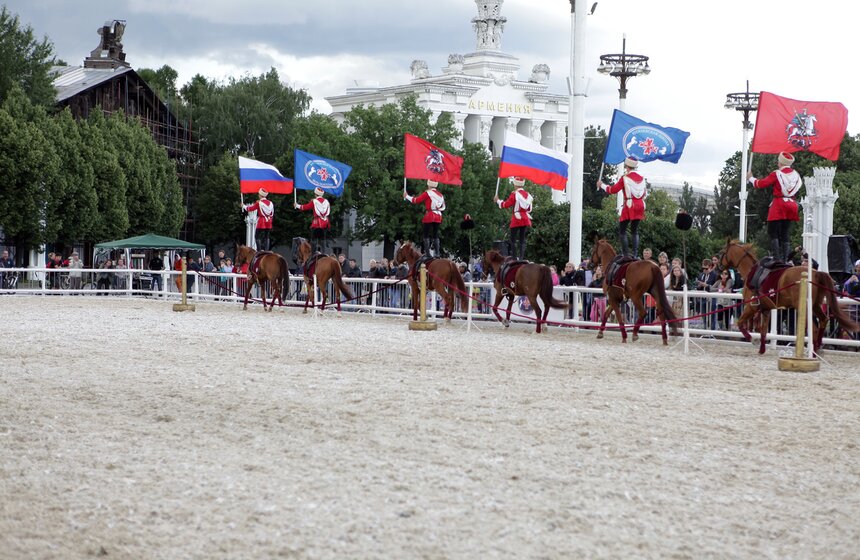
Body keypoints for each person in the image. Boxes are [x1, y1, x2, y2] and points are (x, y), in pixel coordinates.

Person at [747, 151, 802, 262]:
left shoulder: (777, 173)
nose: (777, 163)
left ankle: (777, 258)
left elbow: (760, 184)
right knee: (785, 232)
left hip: (779, 204)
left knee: (772, 231)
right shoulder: (796, 175)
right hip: (792, 204)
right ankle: (785, 258)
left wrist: (751, 178)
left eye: (778, 162)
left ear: (781, 163)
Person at [598, 157, 647, 258]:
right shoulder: (642, 178)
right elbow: (645, 193)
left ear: (627, 167)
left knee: (622, 231)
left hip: (630, 205)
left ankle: (625, 255)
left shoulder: (625, 177)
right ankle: (635, 254)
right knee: (635, 231)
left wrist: (602, 185)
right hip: (640, 205)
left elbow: (612, 190)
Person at [493, 176, 533, 260]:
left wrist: (498, 201)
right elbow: (529, 209)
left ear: (515, 184)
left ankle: (514, 258)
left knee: (512, 240)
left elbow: (506, 204)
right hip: (525, 218)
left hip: (516, 218)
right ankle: (521, 257)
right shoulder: (528, 195)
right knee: (522, 239)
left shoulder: (514, 194)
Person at [404, 179, 445, 257]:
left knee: (426, 234)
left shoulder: (428, 193)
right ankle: (437, 253)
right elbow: (443, 206)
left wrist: (407, 196)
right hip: (438, 215)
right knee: (435, 234)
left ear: (429, 185)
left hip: (430, 214)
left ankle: (428, 253)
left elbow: (416, 200)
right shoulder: (440, 195)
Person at [295, 187, 331, 254]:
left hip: (317, 223)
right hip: (325, 222)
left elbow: (305, 207)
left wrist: (297, 205)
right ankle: (324, 253)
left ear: (315, 194)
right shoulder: (326, 201)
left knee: (313, 239)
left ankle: (313, 253)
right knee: (323, 239)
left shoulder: (314, 201)